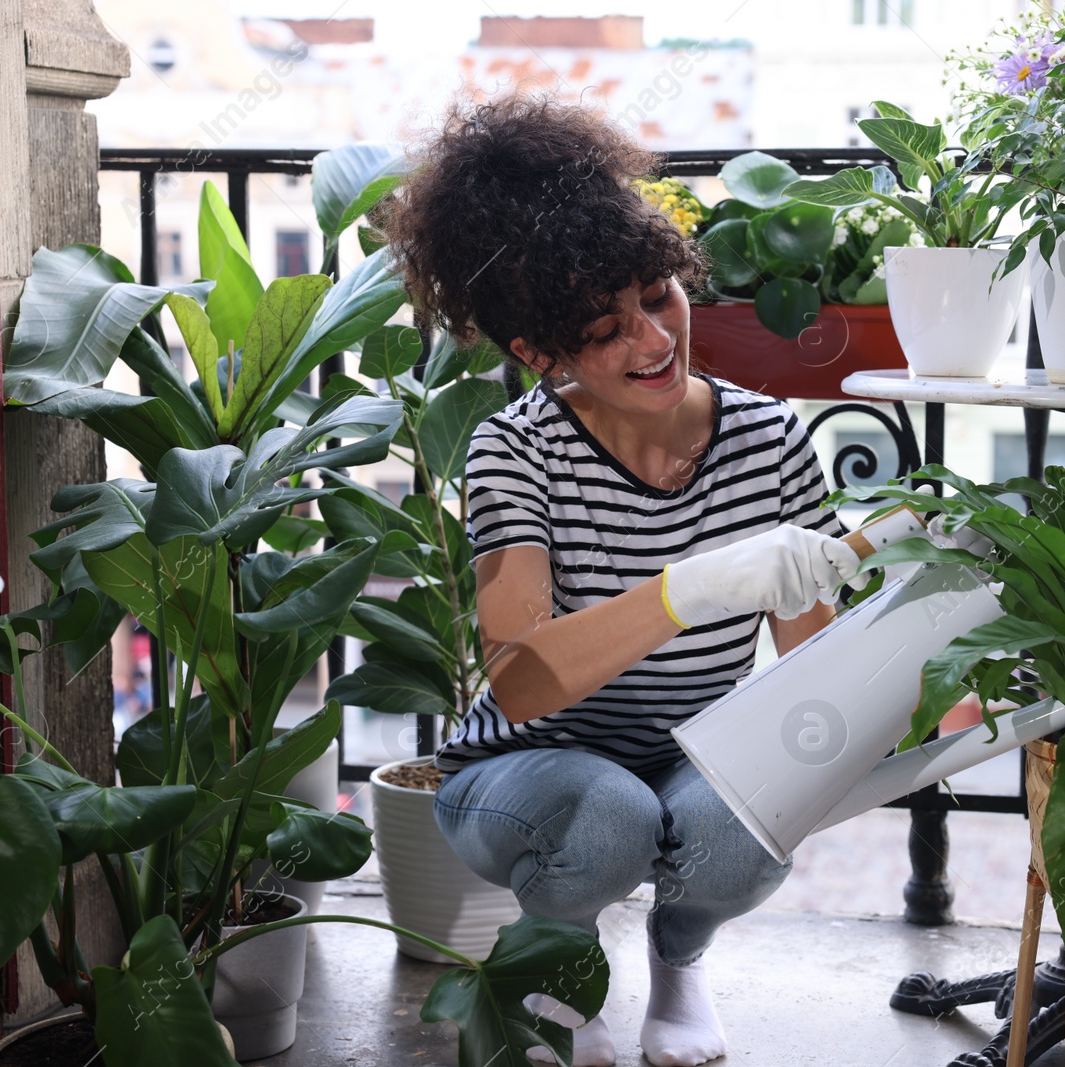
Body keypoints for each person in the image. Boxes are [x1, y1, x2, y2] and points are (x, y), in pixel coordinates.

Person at [381, 94, 861, 1067]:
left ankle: (679, 964)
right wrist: (690, 588)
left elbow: (816, 664)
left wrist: (939, 658)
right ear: (536, 352)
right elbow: (517, 678)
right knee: (611, 811)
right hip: (525, 774)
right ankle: (566, 966)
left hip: (695, 754)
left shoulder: (767, 438)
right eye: (604, 328)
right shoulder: (518, 450)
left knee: (747, 818)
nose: (653, 340)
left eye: (658, 294)